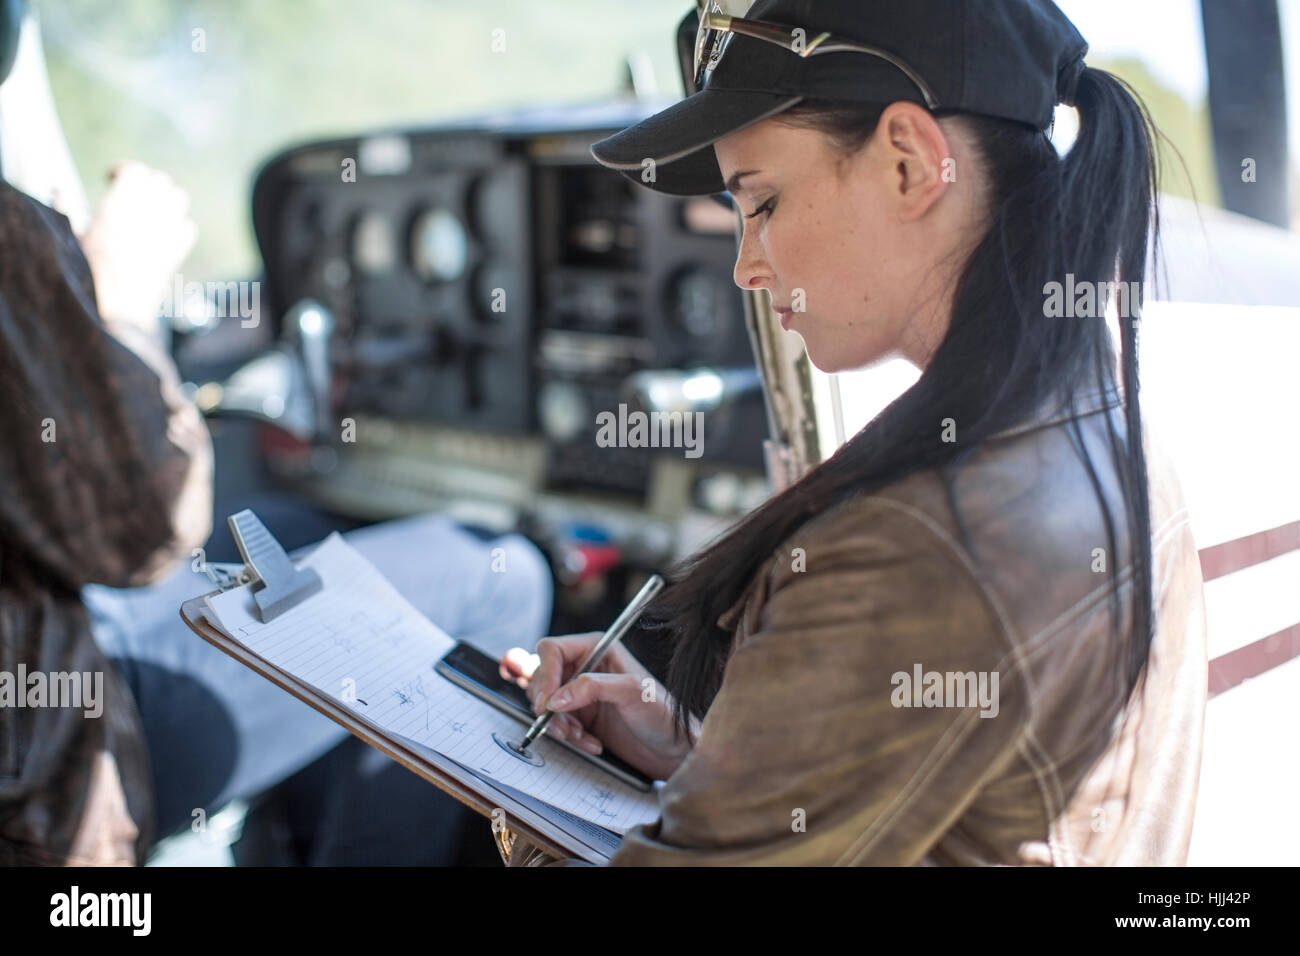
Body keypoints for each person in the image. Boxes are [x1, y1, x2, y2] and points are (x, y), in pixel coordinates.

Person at [499, 0, 1207, 866]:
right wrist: (712, 754)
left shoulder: (920, 543)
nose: (746, 268)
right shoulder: (1102, 420)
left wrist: (511, 818)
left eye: (760, 203)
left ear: (909, 162)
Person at [0, 50, 552, 862]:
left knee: (297, 525)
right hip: (53, 758)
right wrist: (118, 308)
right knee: (499, 573)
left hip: (44, 638)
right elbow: (140, 526)